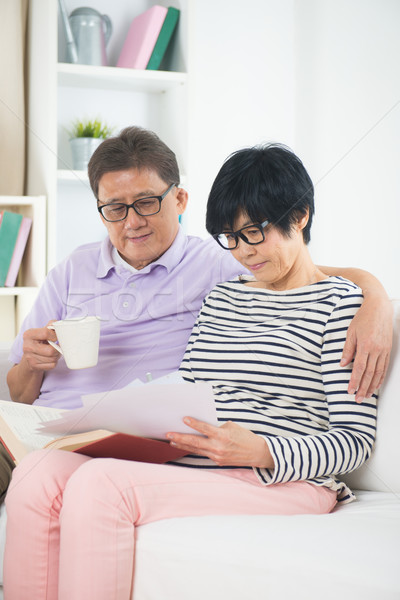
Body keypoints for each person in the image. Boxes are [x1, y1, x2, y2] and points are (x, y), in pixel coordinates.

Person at [4, 143, 378, 599]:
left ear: (298, 216)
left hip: (282, 476)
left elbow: (355, 441)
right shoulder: (222, 296)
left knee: (100, 485)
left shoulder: (341, 306)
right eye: (230, 237)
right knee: (36, 473)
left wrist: (262, 450)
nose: (243, 252)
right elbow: (188, 387)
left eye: (254, 233)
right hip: (199, 463)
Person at [5, 127, 392, 411]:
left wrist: (375, 298)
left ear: (180, 199)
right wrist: (32, 364)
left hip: (125, 430)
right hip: (43, 423)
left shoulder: (221, 262)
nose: (131, 222)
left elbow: (301, 271)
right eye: (115, 208)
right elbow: (19, 394)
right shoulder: (72, 269)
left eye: (146, 203)